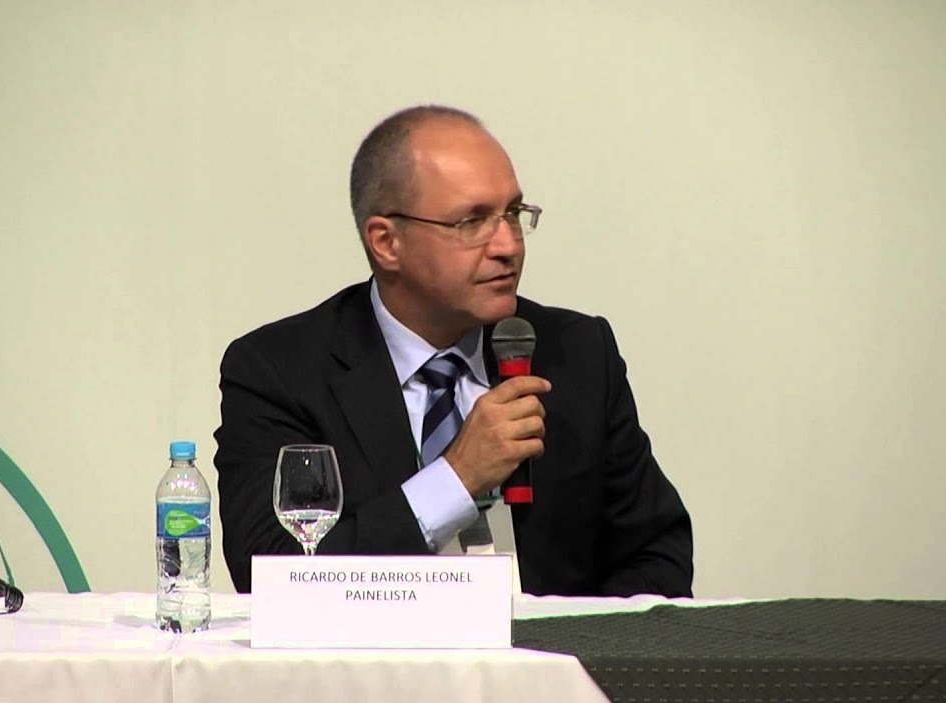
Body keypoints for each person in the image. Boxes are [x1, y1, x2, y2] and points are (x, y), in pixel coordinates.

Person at [214, 105, 693, 597]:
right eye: (473, 221)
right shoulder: (280, 371)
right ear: (386, 242)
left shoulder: (577, 353)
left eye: (513, 214)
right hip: (372, 649)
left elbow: (657, 554)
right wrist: (456, 478)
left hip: (550, 647)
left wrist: (567, 642)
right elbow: (271, 575)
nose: (508, 246)